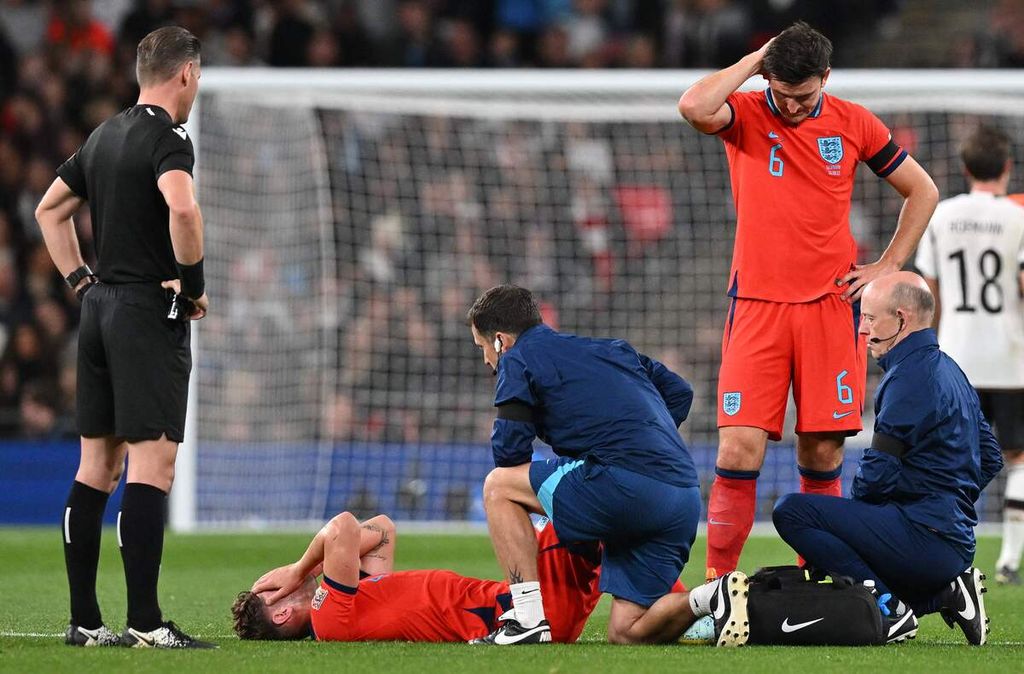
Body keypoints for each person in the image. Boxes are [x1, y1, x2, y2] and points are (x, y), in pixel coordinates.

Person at [677, 21, 940, 580]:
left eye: (804, 97)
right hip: (756, 306)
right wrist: (757, 61)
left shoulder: (853, 122)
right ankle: (717, 589)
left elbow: (924, 190)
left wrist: (888, 264)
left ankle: (816, 582)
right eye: (782, 94)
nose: (792, 108)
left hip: (828, 309)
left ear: (826, 77)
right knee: (737, 453)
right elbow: (694, 105)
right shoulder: (747, 113)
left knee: (821, 456)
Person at [34, 26, 211, 648]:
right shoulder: (169, 137)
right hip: (145, 310)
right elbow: (182, 208)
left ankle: (85, 622)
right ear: (185, 74)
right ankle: (145, 623)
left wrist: (81, 282)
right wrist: (191, 285)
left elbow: (48, 210)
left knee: (95, 466)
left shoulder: (103, 134)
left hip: (99, 311)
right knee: (152, 465)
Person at [465, 284, 750, 646]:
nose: (486, 360)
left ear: (501, 340)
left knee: (497, 487)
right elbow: (680, 392)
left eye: (483, 348)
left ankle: (526, 620)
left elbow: (508, 456)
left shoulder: (517, 359)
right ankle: (711, 597)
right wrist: (641, 441)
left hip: (625, 485)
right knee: (626, 631)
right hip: (683, 496)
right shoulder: (612, 349)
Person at [772, 272, 1003, 646]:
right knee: (849, 551)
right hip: (951, 538)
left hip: (923, 538)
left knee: (791, 511)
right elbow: (990, 457)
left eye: (870, 318)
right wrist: (946, 500)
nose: (863, 330)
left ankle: (890, 610)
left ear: (901, 318)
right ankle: (945, 595)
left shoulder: (908, 378)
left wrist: (846, 533)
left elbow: (877, 474)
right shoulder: (951, 370)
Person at [915, 125, 1024, 586]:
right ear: (1007, 168)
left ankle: (950, 558)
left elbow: (928, 288)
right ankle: (1009, 562)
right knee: (1018, 457)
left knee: (954, 457)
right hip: (1011, 357)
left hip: (956, 357)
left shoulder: (941, 215)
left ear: (964, 169)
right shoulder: (1018, 217)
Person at [231, 511, 605, 643]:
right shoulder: (330, 620)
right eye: (273, 591)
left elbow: (383, 531)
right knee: (570, 498)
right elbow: (341, 526)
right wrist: (299, 570)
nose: (280, 581)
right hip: (534, 610)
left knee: (609, 527)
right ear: (281, 615)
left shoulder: (355, 600)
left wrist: (315, 567)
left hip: (537, 604)